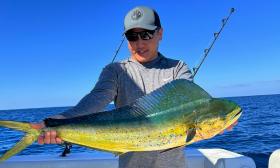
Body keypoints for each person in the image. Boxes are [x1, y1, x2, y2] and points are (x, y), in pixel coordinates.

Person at [32, 6, 236, 168]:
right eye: (132, 36)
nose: (139, 42)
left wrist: (217, 123)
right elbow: (95, 100)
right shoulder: (116, 71)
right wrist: (59, 121)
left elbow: (194, 106)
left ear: (160, 33)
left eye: (146, 34)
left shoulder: (177, 68)